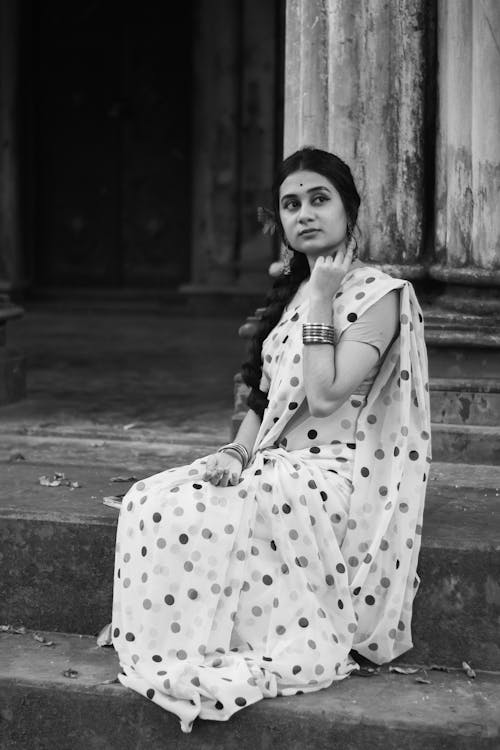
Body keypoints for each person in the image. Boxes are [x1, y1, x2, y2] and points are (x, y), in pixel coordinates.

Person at [110, 147, 431, 733]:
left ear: (348, 211)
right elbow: (265, 400)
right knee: (153, 499)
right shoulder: (293, 297)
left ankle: (219, 636)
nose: (305, 213)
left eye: (318, 199)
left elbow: (327, 394)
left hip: (337, 473)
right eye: (291, 204)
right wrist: (235, 453)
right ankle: (179, 633)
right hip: (273, 458)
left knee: (225, 509)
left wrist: (322, 298)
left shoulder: (379, 296)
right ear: (280, 221)